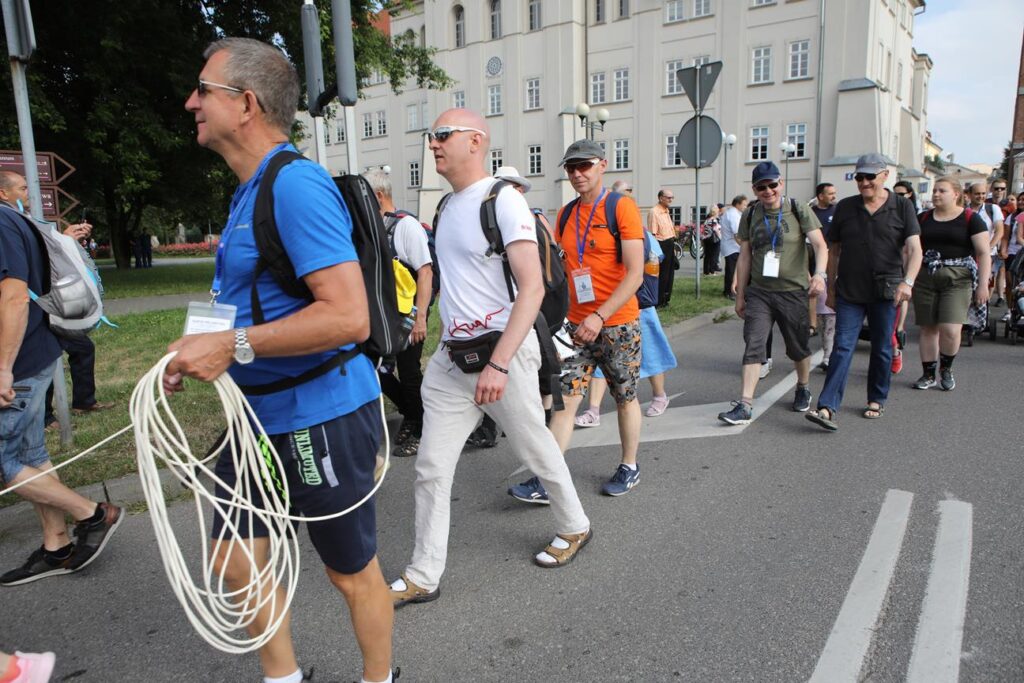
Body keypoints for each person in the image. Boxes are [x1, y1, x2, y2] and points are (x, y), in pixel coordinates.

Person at [164, 38, 394, 683]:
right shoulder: (249, 190)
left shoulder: (295, 186)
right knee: (234, 560)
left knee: (349, 572)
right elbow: (243, 296)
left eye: (202, 90)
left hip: (319, 413)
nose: (190, 103)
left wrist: (232, 346)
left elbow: (348, 317)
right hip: (255, 418)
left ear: (246, 104)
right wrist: (193, 345)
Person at [388, 109, 592, 608]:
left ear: (476, 141)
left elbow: (532, 288)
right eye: (431, 136)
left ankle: (575, 525)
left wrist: (499, 364)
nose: (433, 144)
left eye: (442, 135)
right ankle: (423, 574)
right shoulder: (445, 206)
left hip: (504, 355)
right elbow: (460, 285)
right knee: (431, 468)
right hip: (452, 360)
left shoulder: (503, 200)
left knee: (535, 448)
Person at [0, 171, 123, 587]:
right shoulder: (18, 221)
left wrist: (3, 368)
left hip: (17, 365)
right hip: (32, 356)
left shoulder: (2, 222)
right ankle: (56, 545)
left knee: (6, 465)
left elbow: (15, 296)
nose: (25, 193)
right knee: (31, 454)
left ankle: (93, 514)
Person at [807, 153, 922, 431]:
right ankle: (827, 407)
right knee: (842, 347)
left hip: (886, 289)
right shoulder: (846, 207)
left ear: (885, 176)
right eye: (859, 177)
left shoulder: (902, 206)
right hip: (850, 289)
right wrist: (830, 288)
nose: (864, 182)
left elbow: (914, 249)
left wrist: (907, 282)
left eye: (870, 177)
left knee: (882, 347)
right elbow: (834, 249)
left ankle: (876, 398)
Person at [717, 161, 828, 426]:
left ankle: (803, 386)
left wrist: (820, 275)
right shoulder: (751, 214)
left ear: (781, 183)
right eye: (761, 187)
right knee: (754, 344)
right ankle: (745, 404)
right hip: (760, 293)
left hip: (793, 292)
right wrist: (741, 295)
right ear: (754, 190)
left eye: (772, 185)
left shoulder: (798, 209)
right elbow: (745, 255)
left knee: (797, 347)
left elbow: (820, 245)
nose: (768, 191)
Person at [363, 168, 433, 458]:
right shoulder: (375, 227)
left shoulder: (407, 227)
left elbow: (425, 272)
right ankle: (412, 414)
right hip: (385, 316)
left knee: (409, 371)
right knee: (376, 369)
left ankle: (422, 430)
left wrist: (420, 318)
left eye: (365, 197)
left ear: (379, 196)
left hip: (410, 314)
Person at [574, 232, 678, 425]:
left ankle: (660, 396)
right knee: (601, 357)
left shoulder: (637, 232)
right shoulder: (593, 231)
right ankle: (593, 411)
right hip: (605, 307)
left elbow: (654, 260)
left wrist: (643, 291)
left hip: (637, 305)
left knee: (649, 352)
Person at [912, 177, 991, 391]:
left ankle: (946, 368)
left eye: (942, 191)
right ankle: (928, 374)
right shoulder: (923, 218)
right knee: (928, 328)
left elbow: (983, 253)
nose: (936, 194)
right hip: (926, 277)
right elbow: (911, 249)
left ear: (956, 194)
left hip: (958, 279)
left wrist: (983, 285)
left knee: (951, 329)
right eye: (934, 190)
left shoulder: (971, 218)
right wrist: (907, 278)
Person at [43, 220, 115, 428]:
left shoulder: (27, 218)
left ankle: (84, 402)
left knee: (83, 348)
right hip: (41, 305)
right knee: (46, 357)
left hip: (57, 305)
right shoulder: (12, 220)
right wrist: (64, 239)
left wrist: (69, 240)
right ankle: (44, 418)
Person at [890, 180, 919, 374]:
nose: (897, 197)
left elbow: (913, 248)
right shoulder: (891, 211)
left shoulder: (912, 213)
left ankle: (899, 330)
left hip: (905, 265)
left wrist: (908, 277)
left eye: (901, 194)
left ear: (909, 194)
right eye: (895, 194)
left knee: (900, 301)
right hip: (888, 265)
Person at [966, 182, 1004, 308]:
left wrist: (988, 248)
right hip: (968, 255)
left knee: (985, 284)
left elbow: (999, 231)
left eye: (983, 193)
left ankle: (983, 312)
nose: (981, 196)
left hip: (989, 255)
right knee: (968, 285)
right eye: (977, 193)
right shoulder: (964, 211)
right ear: (970, 195)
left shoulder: (993, 209)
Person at [648, 188, 677, 306]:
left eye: (672, 197)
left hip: (670, 243)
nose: (671, 200)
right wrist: (656, 252)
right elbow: (653, 234)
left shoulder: (666, 211)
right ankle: (659, 300)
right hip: (661, 244)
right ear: (661, 198)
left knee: (670, 274)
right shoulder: (654, 212)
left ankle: (666, 299)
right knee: (662, 274)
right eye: (668, 197)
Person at [720, 195, 748, 300]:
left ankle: (730, 290)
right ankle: (730, 292)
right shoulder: (733, 215)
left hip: (731, 246)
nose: (745, 207)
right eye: (744, 205)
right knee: (732, 271)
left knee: (731, 270)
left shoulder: (731, 213)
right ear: (738, 204)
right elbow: (737, 234)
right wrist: (744, 246)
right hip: (732, 247)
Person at [702, 204, 722, 275]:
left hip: (706, 239)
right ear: (716, 212)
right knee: (714, 255)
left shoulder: (707, 220)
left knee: (707, 255)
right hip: (714, 240)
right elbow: (716, 230)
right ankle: (712, 271)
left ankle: (706, 271)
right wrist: (720, 237)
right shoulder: (714, 220)